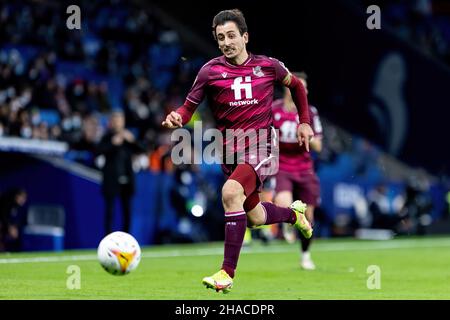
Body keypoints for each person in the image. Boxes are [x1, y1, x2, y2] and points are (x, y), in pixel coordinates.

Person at [162, 9, 314, 293]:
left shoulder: (269, 67)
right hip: (230, 151)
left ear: (245, 37)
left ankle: (226, 273)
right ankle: (295, 216)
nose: (226, 42)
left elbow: (297, 87)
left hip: (263, 146)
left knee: (230, 193)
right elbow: (188, 106)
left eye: (231, 35)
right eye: (221, 38)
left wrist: (304, 123)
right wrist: (178, 117)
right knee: (255, 217)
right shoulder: (209, 71)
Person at [272, 72, 323, 270]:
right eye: (300, 87)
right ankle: (288, 221)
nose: (304, 91)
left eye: (305, 87)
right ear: (289, 88)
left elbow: (318, 145)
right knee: (284, 203)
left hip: (304, 167)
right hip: (282, 165)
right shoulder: (273, 110)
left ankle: (305, 255)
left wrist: (305, 134)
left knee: (309, 216)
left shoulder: (310, 113)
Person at [97, 110, 145, 235]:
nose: (118, 123)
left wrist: (132, 140)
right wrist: (113, 143)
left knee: (127, 211)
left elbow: (142, 149)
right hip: (111, 180)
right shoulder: (107, 137)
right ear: (111, 122)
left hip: (127, 179)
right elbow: (98, 150)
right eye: (115, 120)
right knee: (110, 212)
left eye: (120, 120)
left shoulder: (128, 138)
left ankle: (127, 238)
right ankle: (108, 239)